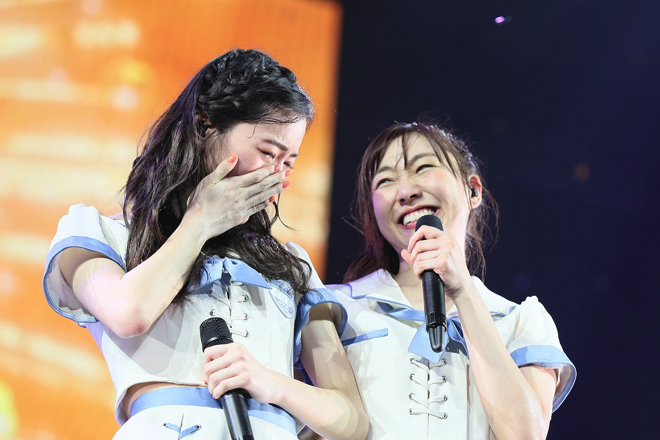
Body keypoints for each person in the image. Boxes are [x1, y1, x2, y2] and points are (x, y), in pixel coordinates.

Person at [42, 49, 367, 440]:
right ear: (204, 125)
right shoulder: (102, 233)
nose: (275, 175)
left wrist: (270, 382)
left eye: (288, 163)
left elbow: (351, 423)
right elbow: (129, 314)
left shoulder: (290, 264)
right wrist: (202, 220)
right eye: (267, 152)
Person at [328, 121, 576, 440]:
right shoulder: (335, 308)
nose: (406, 192)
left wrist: (463, 292)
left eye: (423, 167)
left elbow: (525, 435)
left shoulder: (520, 321)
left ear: (473, 190)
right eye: (386, 180)